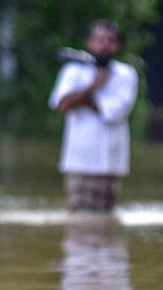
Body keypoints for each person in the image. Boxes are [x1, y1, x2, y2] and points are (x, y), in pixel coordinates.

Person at [49, 20, 139, 213]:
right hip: (79, 162)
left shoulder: (126, 74)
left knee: (106, 219)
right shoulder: (73, 71)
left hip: (111, 163)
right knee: (80, 217)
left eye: (110, 40)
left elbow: (115, 112)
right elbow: (62, 105)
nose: (105, 44)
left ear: (117, 46)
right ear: (89, 43)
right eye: (100, 39)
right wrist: (95, 86)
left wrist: (81, 99)